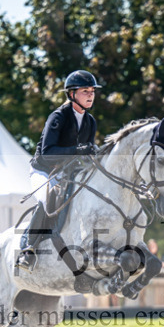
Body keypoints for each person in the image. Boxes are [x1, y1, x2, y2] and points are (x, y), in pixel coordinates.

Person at [17, 69, 102, 271]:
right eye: (85, 91)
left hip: (67, 173)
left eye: (92, 91)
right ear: (72, 94)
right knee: (48, 198)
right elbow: (47, 153)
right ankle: (28, 249)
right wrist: (77, 150)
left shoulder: (90, 122)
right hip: (43, 170)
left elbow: (87, 155)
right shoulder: (58, 117)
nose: (90, 95)